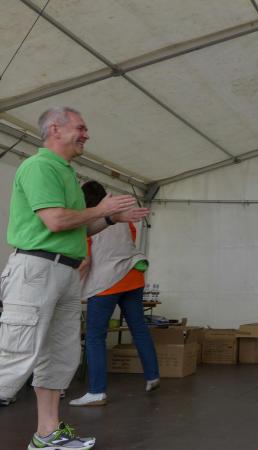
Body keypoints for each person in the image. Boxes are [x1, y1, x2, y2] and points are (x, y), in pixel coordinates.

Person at [0, 107, 148, 450]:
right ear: (55, 129)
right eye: (80, 128)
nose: (86, 134)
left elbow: (78, 227)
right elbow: (55, 220)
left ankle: (47, 434)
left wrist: (109, 219)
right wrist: (102, 209)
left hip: (64, 272)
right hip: (37, 269)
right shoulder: (39, 166)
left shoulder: (66, 173)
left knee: (60, 356)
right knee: (15, 356)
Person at [68, 181, 159, 407]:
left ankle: (96, 391)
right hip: (132, 277)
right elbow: (128, 243)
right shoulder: (121, 219)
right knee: (139, 328)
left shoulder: (88, 222)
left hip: (105, 283)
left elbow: (85, 262)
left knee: (95, 336)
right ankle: (152, 375)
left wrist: (72, 288)